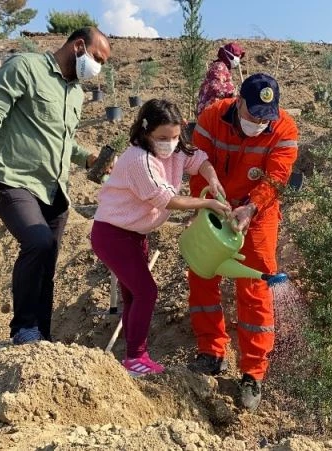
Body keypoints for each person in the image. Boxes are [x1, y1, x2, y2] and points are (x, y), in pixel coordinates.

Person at [0, 27, 112, 344]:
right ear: (79, 46)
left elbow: (62, 139)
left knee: (47, 262)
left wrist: (86, 158)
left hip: (55, 190)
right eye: (98, 58)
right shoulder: (25, 67)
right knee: (38, 242)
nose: (98, 67)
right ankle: (23, 328)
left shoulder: (75, 92)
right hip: (13, 179)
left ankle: (40, 338)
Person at [91, 99, 229, 377]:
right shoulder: (138, 160)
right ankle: (136, 358)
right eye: (163, 138)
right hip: (113, 234)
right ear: (145, 132)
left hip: (135, 234)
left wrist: (212, 178)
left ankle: (132, 357)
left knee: (133, 295)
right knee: (146, 292)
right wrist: (207, 204)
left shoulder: (176, 151)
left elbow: (199, 159)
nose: (171, 143)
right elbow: (166, 200)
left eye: (176, 136)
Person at [187, 73, 299, 411]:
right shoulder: (211, 118)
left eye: (267, 116)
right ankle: (211, 352)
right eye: (253, 116)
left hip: (258, 212)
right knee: (203, 274)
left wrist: (250, 208)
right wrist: (206, 205)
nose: (260, 123)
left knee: (255, 285)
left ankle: (253, 372)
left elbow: (277, 178)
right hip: (216, 205)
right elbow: (197, 164)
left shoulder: (284, 129)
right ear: (238, 103)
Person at [196, 42, 246, 116]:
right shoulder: (219, 67)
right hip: (211, 111)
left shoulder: (223, 67)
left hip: (212, 110)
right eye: (237, 56)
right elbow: (215, 87)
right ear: (229, 54)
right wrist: (232, 91)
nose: (238, 59)